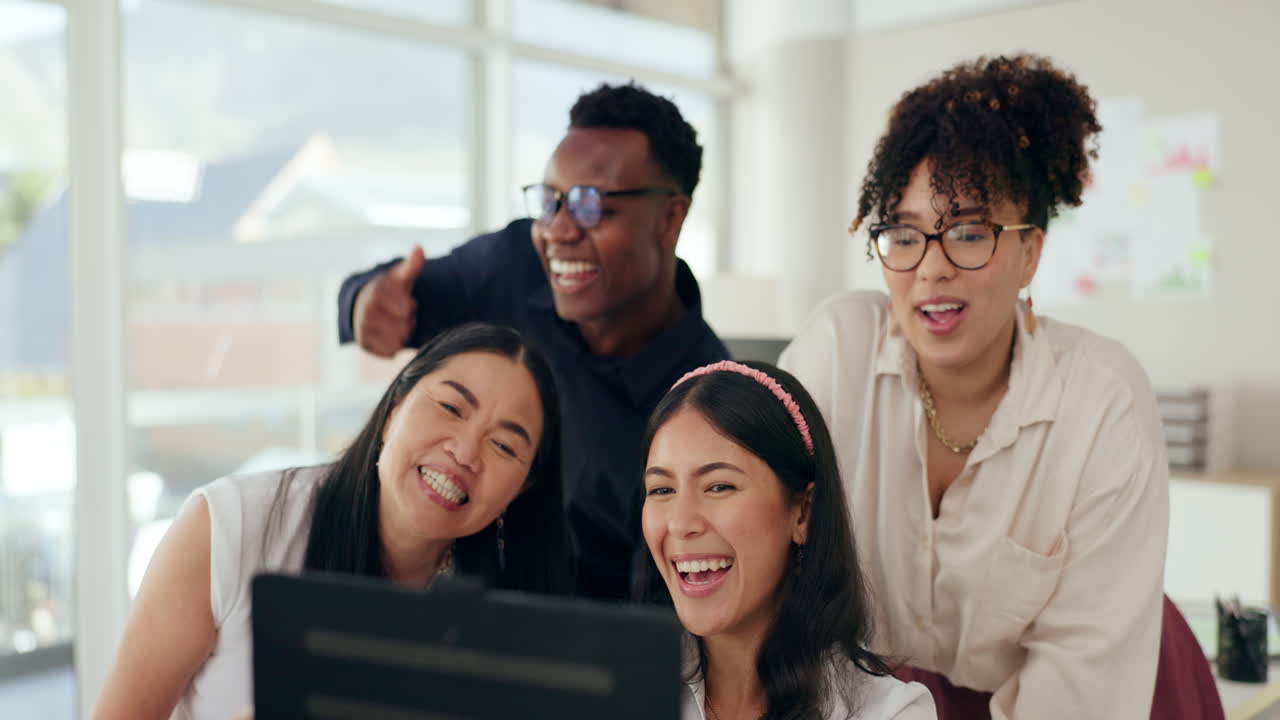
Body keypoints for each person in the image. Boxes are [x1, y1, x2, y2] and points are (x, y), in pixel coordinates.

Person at [779, 54, 1222, 719]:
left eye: (967, 232)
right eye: (904, 234)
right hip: (897, 703)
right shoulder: (837, 352)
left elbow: (1080, 687)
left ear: (1030, 252)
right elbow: (768, 560)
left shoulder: (1102, 402)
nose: (931, 268)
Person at [337, 82, 729, 600]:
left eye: (591, 205)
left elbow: (664, 620)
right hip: (432, 595)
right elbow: (388, 293)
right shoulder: (512, 265)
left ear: (669, 219)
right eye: (552, 200)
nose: (558, 230)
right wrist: (367, 302)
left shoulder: (705, 402)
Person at [94, 323, 570, 720]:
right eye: (450, 408)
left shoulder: (518, 604)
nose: (465, 452)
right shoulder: (230, 526)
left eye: (505, 446)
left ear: (522, 489)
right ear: (393, 408)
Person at [639, 360, 937, 720]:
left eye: (719, 486)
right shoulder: (615, 688)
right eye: (662, 489)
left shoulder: (890, 713)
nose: (681, 523)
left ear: (803, 512)